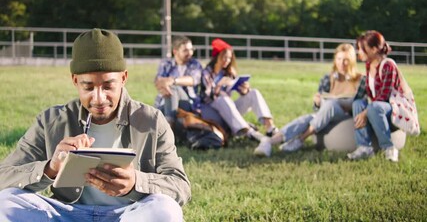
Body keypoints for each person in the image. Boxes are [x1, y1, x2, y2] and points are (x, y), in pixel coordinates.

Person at [0, 29, 191, 221]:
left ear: (123, 78)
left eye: (108, 86)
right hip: (68, 214)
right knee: (5, 203)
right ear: (75, 80)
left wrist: (135, 182)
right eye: (88, 87)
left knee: (165, 210)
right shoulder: (51, 121)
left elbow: (180, 186)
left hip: (130, 214)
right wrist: (51, 167)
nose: (99, 99)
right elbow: (4, 177)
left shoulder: (152, 121)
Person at [254, 43, 366, 157]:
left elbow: (361, 104)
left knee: (331, 104)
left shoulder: (360, 79)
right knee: (307, 118)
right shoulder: (328, 79)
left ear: (352, 60)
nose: (342, 63)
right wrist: (317, 102)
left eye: (346, 59)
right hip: (325, 116)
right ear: (335, 59)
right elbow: (317, 109)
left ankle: (301, 139)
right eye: (339, 59)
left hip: (346, 116)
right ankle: (269, 142)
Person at [199, 38, 278, 142]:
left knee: (254, 93)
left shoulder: (228, 73)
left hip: (229, 109)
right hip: (212, 111)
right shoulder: (207, 73)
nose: (226, 61)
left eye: (229, 58)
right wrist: (219, 85)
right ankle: (248, 132)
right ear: (216, 57)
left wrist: (244, 89)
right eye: (224, 58)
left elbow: (237, 90)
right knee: (223, 98)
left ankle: (270, 128)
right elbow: (207, 96)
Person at [347, 30, 403, 162]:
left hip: (392, 109)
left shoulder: (388, 65)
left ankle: (389, 148)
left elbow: (384, 96)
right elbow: (365, 93)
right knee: (358, 103)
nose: (359, 52)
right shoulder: (368, 65)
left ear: (373, 49)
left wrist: (365, 113)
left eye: (362, 49)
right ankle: (364, 147)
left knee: (374, 107)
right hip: (376, 107)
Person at [154, 35, 203, 126]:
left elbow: (193, 80)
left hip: (187, 103)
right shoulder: (166, 64)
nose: (190, 53)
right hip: (166, 100)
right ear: (175, 51)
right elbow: (158, 82)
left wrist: (173, 80)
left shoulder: (195, 64)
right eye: (186, 50)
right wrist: (164, 85)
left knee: (172, 88)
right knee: (166, 101)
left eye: (191, 49)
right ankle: (168, 126)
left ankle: (169, 125)